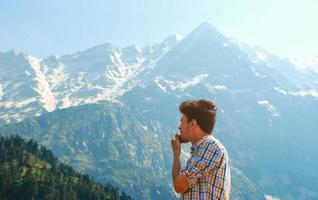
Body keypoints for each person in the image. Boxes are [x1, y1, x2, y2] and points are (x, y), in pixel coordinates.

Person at [171, 99, 230, 200]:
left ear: (192, 124)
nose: (179, 127)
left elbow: (179, 185)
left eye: (182, 121)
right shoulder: (202, 150)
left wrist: (176, 154)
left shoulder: (210, 146)